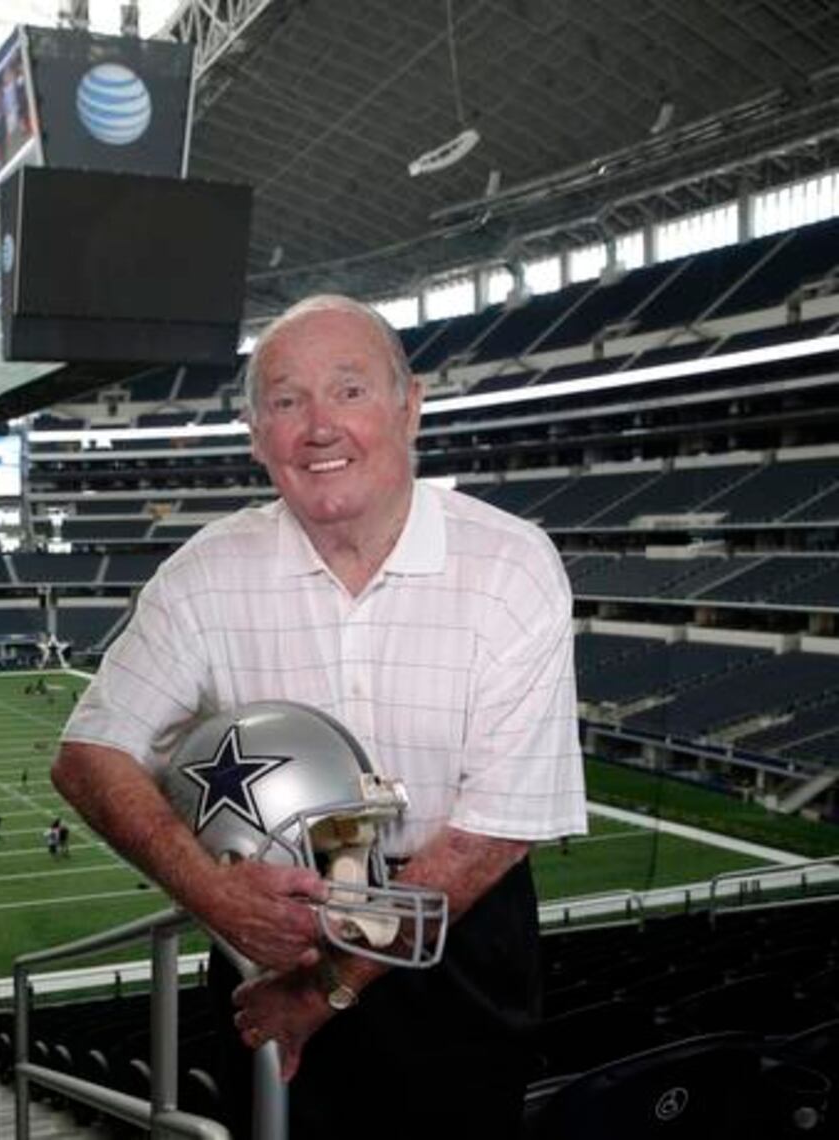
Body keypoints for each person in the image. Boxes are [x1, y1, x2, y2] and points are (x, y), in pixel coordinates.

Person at [52, 295, 586, 1137]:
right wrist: (210, 890)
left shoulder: (511, 562)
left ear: (410, 405)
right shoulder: (207, 572)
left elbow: (493, 835)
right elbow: (88, 751)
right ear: (257, 434)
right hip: (263, 933)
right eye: (286, 402)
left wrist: (323, 988)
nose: (318, 428)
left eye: (349, 390)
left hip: (454, 947)